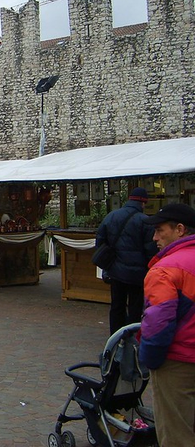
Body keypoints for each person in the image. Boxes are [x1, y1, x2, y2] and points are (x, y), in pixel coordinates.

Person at [139, 203, 195, 447]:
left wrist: (149, 359)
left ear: (179, 229)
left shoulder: (165, 269)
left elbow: (158, 324)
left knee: (176, 433)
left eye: (159, 230)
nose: (155, 237)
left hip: (178, 361)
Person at [95, 187, 157, 334]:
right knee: (135, 307)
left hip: (115, 271)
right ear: (143, 203)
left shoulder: (111, 216)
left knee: (117, 306)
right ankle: (131, 337)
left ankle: (115, 337)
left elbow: (100, 242)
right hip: (138, 273)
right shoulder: (145, 221)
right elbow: (151, 250)